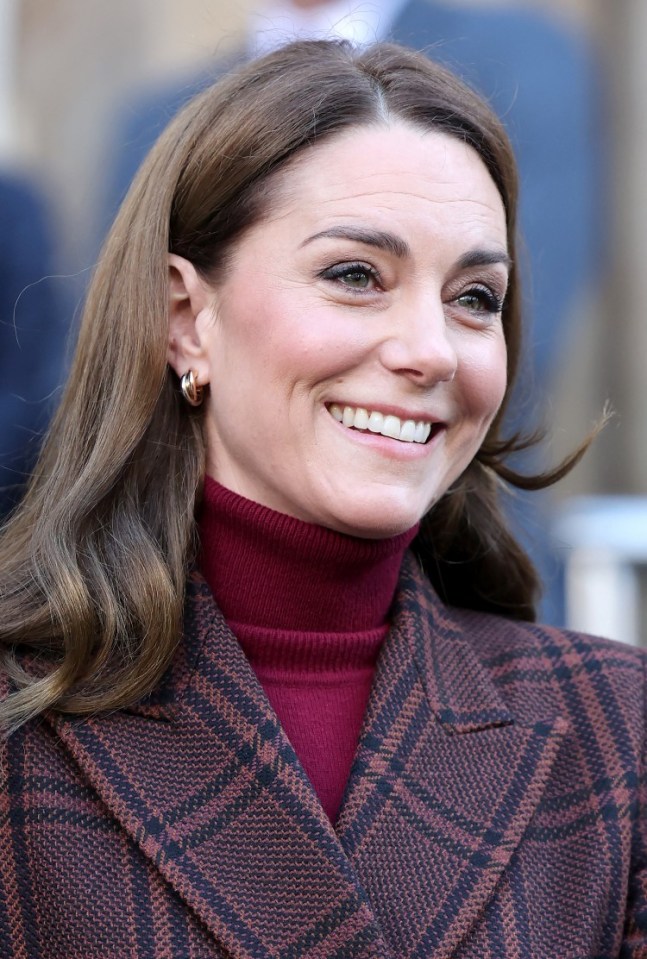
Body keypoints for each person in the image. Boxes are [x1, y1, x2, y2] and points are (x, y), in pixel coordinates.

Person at [0, 40, 642, 959]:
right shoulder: (22, 722)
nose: (430, 349)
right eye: (354, 276)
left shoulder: (613, 731)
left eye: (473, 297)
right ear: (186, 319)